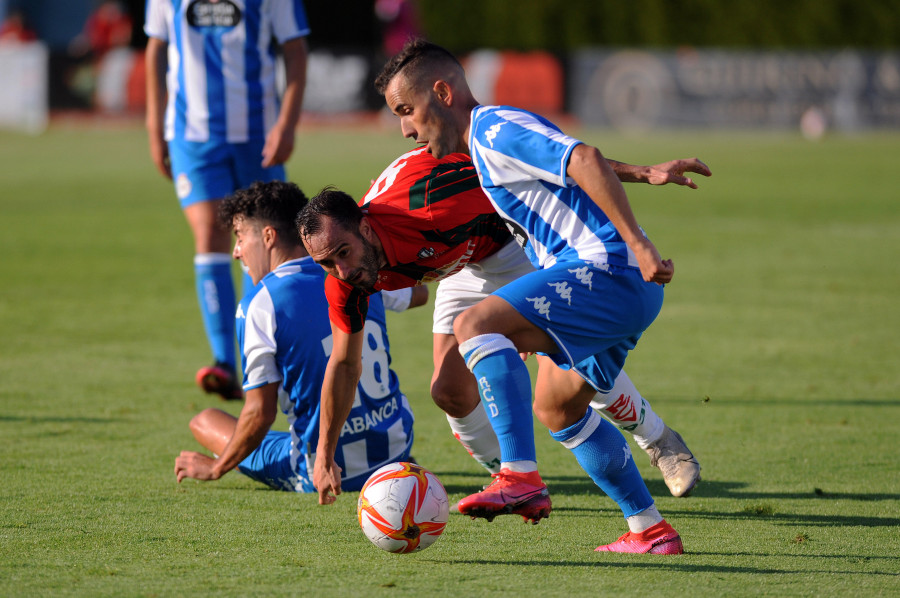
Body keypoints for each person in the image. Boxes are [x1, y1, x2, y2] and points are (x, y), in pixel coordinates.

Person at [372, 39, 713, 554]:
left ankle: (518, 476)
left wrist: (639, 245)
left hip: (608, 271)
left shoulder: (492, 129)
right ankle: (650, 529)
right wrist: (644, 172)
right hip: (620, 286)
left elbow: (583, 157)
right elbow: (564, 158)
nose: (405, 128)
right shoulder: (484, 144)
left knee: (474, 325)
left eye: (407, 110)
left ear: (442, 92)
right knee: (557, 408)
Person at [297, 146, 705, 516]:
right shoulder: (344, 280)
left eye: (343, 254)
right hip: (466, 266)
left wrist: (642, 172)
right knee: (450, 392)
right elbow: (345, 363)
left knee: (566, 361)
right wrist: (324, 453)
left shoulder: (433, 200)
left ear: (365, 228)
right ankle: (514, 478)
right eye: (327, 264)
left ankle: (659, 440)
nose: (342, 271)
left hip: (519, 245)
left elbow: (540, 162)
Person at [174, 180, 419, 492]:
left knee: (205, 421)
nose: (236, 252)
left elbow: (260, 414)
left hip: (323, 466)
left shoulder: (260, 303)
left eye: (239, 237)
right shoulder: (357, 270)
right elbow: (419, 293)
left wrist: (217, 468)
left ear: (268, 236)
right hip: (395, 450)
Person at [144, 0, 309, 399]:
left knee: (266, 242)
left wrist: (287, 124)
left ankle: (261, 356)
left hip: (257, 135)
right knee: (210, 235)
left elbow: (295, 49)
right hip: (192, 136)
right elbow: (155, 48)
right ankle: (223, 362)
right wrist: (154, 123)